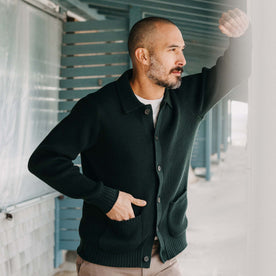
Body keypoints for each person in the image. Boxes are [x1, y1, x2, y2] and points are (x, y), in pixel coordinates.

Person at [28, 8, 251, 276]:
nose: (182, 59)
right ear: (143, 56)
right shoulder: (98, 109)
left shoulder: (191, 98)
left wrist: (241, 37)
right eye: (172, 50)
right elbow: (45, 160)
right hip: (106, 264)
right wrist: (104, 197)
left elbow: (237, 68)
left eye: (182, 49)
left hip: (166, 261)